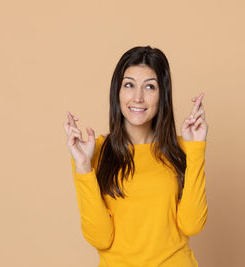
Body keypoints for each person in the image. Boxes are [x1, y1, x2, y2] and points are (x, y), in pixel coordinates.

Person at [64, 46, 208, 267]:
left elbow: (192, 225)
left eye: (150, 87)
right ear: (118, 92)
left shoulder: (182, 148)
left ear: (162, 95)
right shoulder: (96, 151)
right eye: (129, 85)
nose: (138, 98)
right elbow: (100, 237)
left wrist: (196, 148)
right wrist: (83, 166)